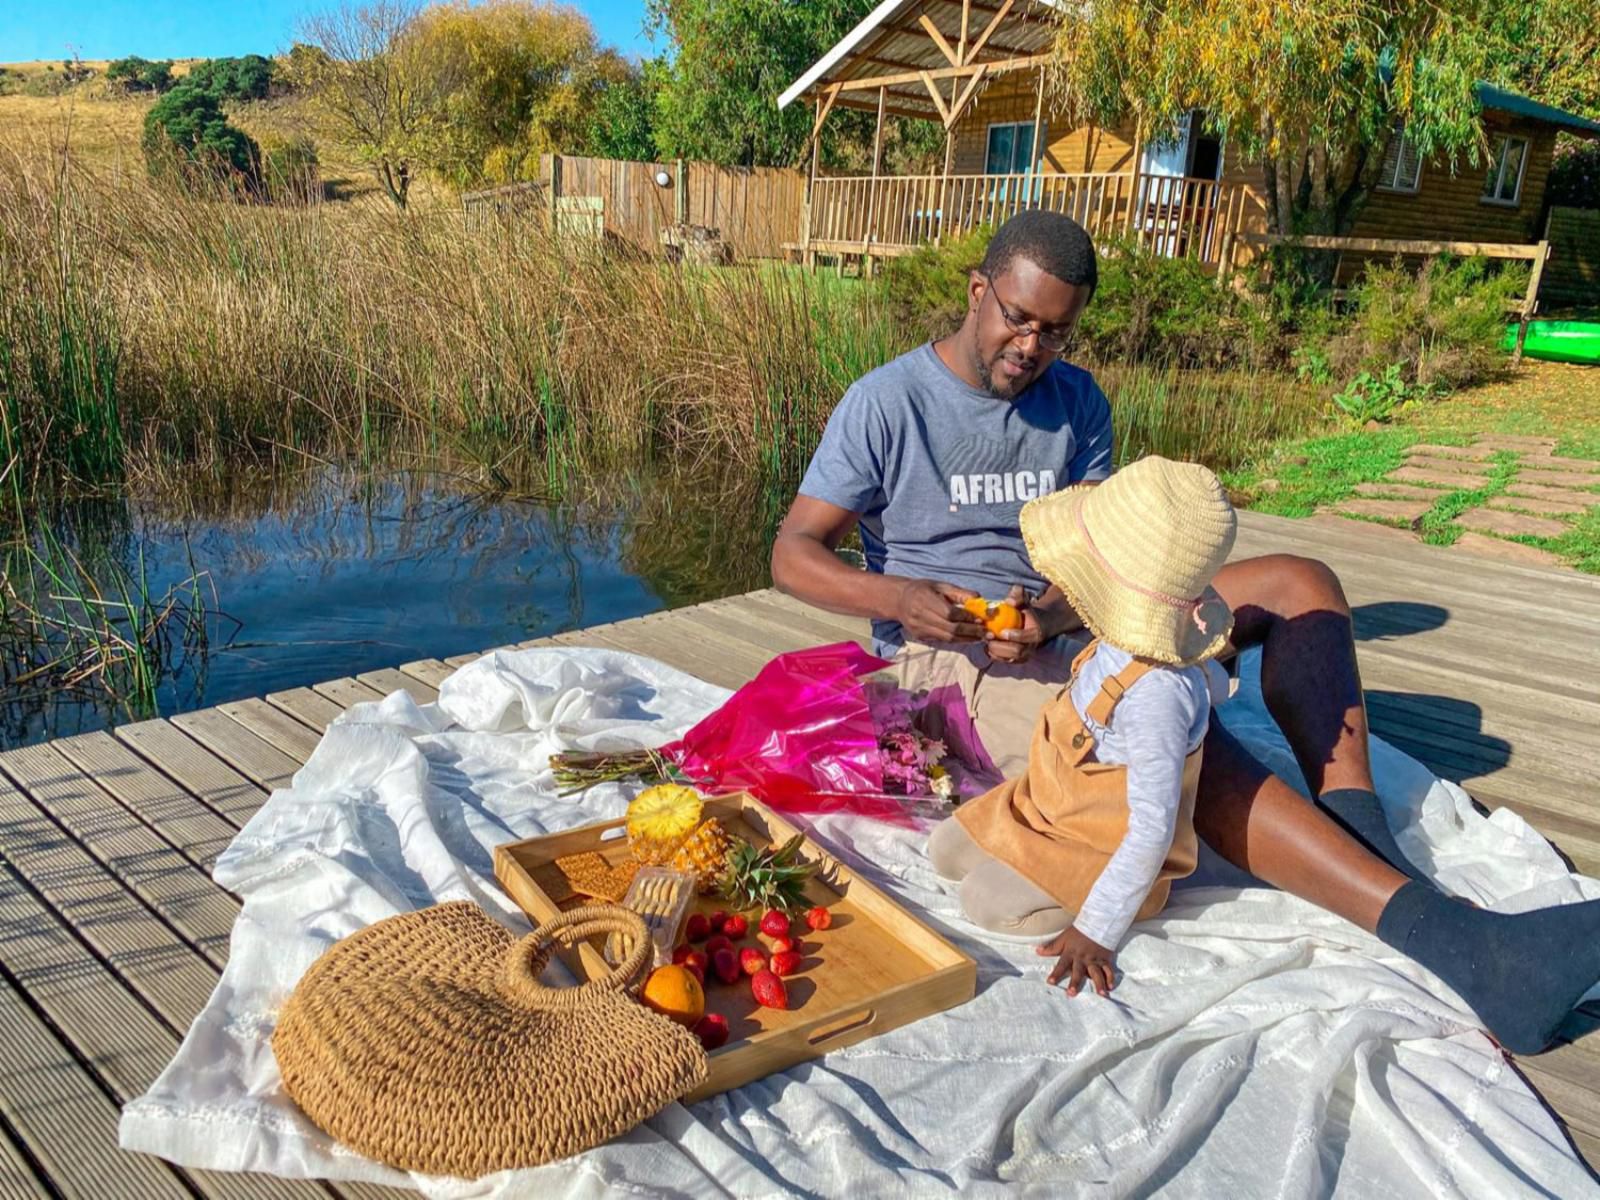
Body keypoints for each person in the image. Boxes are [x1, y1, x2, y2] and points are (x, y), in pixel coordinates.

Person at [771, 209, 1600, 1053]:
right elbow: (793, 554)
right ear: (978, 289)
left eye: (1056, 331)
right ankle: (1467, 951)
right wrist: (899, 594)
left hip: (1080, 612)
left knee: (1299, 583)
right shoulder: (886, 402)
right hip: (941, 654)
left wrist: (1056, 613)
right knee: (1169, 726)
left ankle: (1362, 840)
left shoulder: (1077, 401)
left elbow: (1095, 551)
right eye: (1016, 318)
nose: (1031, 346)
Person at [930, 456, 1237, 998]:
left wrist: (1097, 929)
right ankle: (1022, 849)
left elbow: (1151, 828)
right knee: (944, 852)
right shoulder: (1119, 638)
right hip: (1046, 804)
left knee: (988, 904)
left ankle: (1094, 894)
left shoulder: (1157, 695)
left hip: (1097, 842)